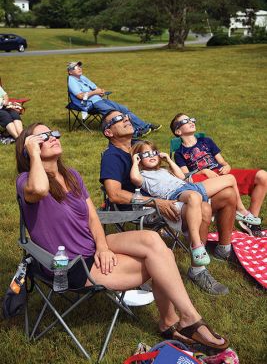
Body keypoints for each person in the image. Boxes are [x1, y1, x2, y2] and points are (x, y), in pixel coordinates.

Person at [15, 122, 229, 351]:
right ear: (29, 148)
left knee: (153, 241)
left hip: (92, 247)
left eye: (53, 133)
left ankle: (180, 319)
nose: (53, 137)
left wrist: (102, 247)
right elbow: (38, 189)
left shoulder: (72, 176)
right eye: (42, 137)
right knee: (160, 261)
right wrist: (34, 155)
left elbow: (92, 218)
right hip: (68, 264)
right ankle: (183, 320)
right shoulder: (26, 181)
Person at [100, 110, 237, 295]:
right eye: (118, 119)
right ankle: (198, 269)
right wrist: (155, 202)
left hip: (172, 194)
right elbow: (114, 194)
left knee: (228, 193)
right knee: (203, 209)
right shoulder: (112, 157)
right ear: (108, 132)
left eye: (126, 116)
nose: (126, 119)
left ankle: (223, 249)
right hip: (144, 209)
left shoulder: (137, 146)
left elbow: (160, 172)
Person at [130, 139, 253, 267]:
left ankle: (242, 212)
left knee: (229, 179)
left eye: (154, 152)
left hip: (190, 186)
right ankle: (196, 245)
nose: (151, 156)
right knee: (194, 197)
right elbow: (134, 179)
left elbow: (182, 177)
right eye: (146, 154)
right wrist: (134, 162)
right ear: (139, 158)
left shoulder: (164, 170)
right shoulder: (142, 175)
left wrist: (169, 160)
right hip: (175, 194)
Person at [170, 113, 267, 236]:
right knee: (215, 181)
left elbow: (221, 161)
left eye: (191, 119)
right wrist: (204, 171)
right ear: (178, 131)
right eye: (185, 121)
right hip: (204, 179)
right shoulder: (179, 153)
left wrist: (227, 165)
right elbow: (185, 176)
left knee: (262, 175)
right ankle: (242, 212)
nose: (190, 122)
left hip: (221, 172)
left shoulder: (206, 141)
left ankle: (251, 220)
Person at [67, 61, 161, 138]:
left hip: (98, 100)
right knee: (115, 114)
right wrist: (95, 92)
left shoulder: (82, 77)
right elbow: (79, 96)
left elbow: (95, 87)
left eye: (80, 67)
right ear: (70, 72)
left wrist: (100, 91)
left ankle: (144, 126)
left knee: (123, 109)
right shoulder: (72, 80)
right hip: (89, 104)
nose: (79, 68)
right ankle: (134, 132)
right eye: (76, 68)